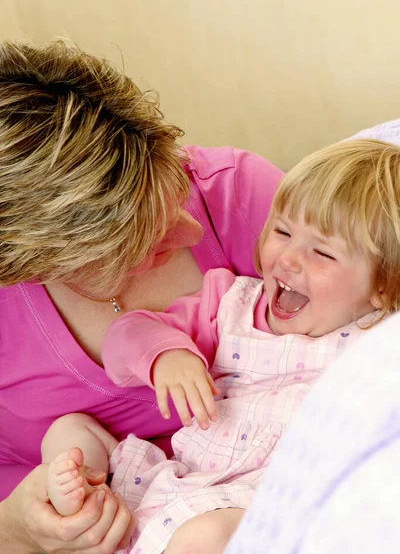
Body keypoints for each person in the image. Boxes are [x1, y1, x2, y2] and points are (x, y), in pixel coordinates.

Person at [41, 138, 400, 554]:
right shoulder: (231, 302)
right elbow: (126, 333)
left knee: (203, 539)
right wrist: (165, 354)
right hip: (174, 479)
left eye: (322, 252)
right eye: (281, 231)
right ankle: (84, 497)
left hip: (257, 500)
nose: (287, 259)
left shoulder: (378, 341)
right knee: (67, 429)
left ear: (382, 284)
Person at [0, 37, 284, 553]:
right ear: (43, 264)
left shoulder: (239, 196)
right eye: (146, 243)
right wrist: (15, 528)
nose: (191, 233)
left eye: (172, 185)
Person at [224, 309, 400, 554]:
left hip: (287, 488)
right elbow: (161, 324)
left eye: (326, 266)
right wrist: (169, 354)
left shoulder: (374, 338)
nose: (290, 266)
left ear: (379, 291)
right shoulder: (240, 303)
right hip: (219, 479)